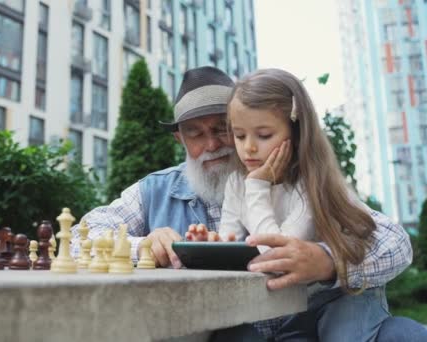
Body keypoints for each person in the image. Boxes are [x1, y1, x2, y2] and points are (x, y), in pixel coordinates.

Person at [70, 66, 419, 340]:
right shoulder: (154, 190)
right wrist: (143, 247)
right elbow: (78, 237)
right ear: (180, 138)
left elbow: (395, 242)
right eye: (195, 132)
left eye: (223, 129)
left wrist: (329, 261)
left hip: (312, 325)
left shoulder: (302, 177)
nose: (213, 145)